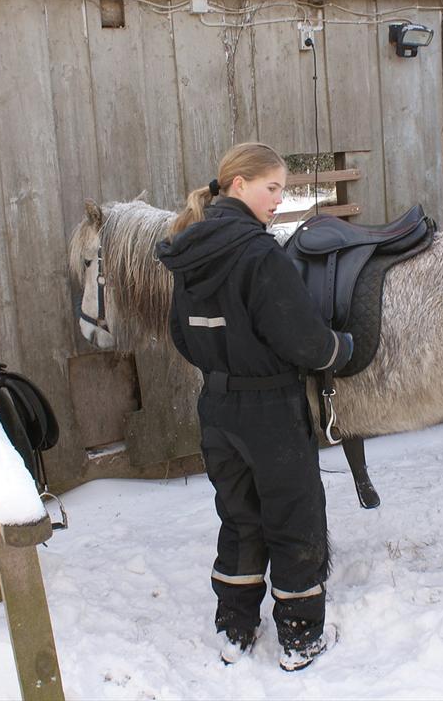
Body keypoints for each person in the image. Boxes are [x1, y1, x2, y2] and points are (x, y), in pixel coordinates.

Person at [155, 142, 353, 671]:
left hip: (217, 409)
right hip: (271, 409)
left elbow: (180, 333)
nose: (278, 200)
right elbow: (306, 342)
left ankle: (235, 626)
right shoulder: (260, 253)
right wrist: (342, 349)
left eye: (283, 191)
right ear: (238, 185)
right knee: (293, 515)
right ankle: (300, 634)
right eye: (272, 188)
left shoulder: (188, 250)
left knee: (239, 516)